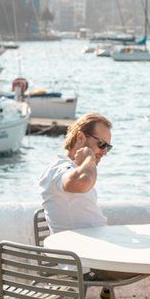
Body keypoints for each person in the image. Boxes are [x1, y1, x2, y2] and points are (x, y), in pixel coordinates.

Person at [39, 112, 130, 283]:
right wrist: (88, 157)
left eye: (107, 147)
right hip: (89, 265)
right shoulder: (58, 169)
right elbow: (83, 181)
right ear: (80, 138)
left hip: (101, 253)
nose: (104, 152)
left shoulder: (73, 168)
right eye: (101, 144)